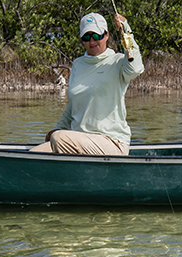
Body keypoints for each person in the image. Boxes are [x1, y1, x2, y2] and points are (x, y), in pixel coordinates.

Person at [30, 12, 143, 155]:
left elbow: (136, 68)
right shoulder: (78, 64)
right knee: (34, 152)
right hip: (79, 141)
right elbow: (74, 106)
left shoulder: (118, 61)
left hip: (112, 142)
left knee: (59, 139)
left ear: (106, 35)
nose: (92, 41)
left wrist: (126, 30)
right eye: (86, 37)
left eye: (96, 36)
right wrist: (58, 128)